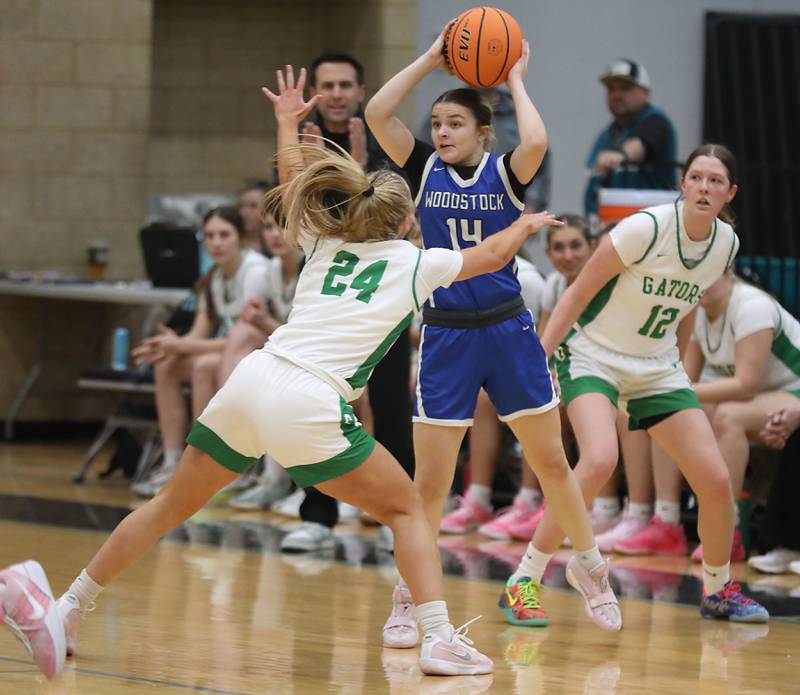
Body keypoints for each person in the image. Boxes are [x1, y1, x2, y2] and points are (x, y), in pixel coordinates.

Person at [0, 67, 570, 680]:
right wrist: (525, 223)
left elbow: (293, 183)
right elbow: (489, 255)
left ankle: (65, 608)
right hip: (308, 400)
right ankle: (436, 637)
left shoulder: (323, 239)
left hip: (251, 381)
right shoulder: (417, 261)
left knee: (169, 505)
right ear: (405, 221)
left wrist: (285, 124)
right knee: (407, 509)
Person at [366, 27, 622, 642]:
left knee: (552, 462)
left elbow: (535, 136)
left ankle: (591, 570)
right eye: (437, 122)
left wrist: (512, 76)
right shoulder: (421, 166)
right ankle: (409, 596)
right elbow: (378, 111)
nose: (443, 131)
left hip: (508, 330)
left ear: (483, 130)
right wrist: (430, 59)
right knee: (430, 484)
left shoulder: (508, 171)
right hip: (448, 336)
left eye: (455, 122)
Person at [535, 143, 768, 622]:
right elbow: (578, 293)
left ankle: (718, 589)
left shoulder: (725, 244)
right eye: (697, 178)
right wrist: (537, 360)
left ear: (730, 193)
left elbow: (684, 309)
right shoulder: (645, 227)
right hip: (592, 354)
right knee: (599, 459)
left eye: (715, 181)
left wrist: (678, 368)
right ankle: (525, 577)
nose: (704, 187)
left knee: (716, 480)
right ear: (683, 184)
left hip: (656, 366)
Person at [282, 51, 415, 554]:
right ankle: (316, 515)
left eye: (345, 84)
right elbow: (294, 214)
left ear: (360, 90)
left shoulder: (386, 140)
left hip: (382, 289)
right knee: (321, 405)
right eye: (327, 85)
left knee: (390, 403)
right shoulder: (302, 142)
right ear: (316, 92)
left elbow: (394, 216)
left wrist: (359, 169)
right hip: (327, 294)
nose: (337, 93)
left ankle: (394, 514)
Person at [617, 271, 800, 562]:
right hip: (758, 398)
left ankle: (728, 533)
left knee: (729, 416)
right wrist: (660, 394)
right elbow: (684, 379)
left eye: (707, 273)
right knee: (666, 410)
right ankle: (667, 523)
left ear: (727, 272)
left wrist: (669, 390)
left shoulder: (751, 306)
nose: (699, 282)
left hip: (793, 392)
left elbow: (745, 384)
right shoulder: (697, 311)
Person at [131, 206, 271, 497]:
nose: (216, 242)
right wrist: (168, 346)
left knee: (204, 364)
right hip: (230, 354)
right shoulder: (214, 277)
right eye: (209, 236)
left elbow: (242, 340)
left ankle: (212, 461)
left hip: (259, 355)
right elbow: (197, 335)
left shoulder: (255, 271)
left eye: (224, 235)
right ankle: (172, 462)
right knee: (167, 365)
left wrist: (182, 345)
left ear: (241, 238)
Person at [584, 59, 677, 219]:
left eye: (626, 88)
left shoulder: (657, 121)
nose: (617, 95)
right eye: (611, 89)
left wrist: (620, 156)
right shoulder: (607, 134)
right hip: (610, 225)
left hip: (651, 227)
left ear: (646, 93)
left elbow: (642, 143)